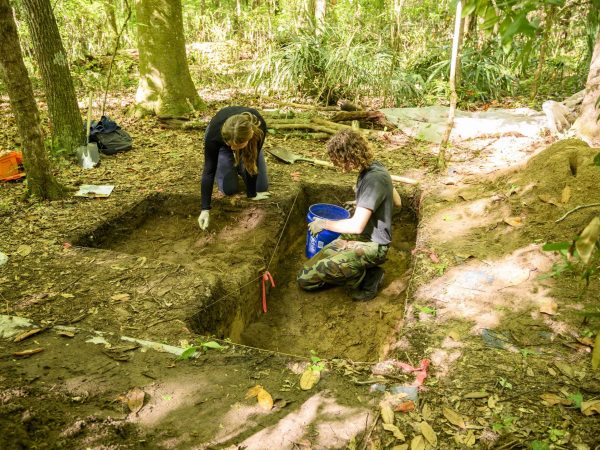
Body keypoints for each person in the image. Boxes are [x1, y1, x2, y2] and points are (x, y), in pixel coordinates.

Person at [297, 129, 400, 301]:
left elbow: (356, 226)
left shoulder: (373, 179)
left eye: (337, 159)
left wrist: (323, 224)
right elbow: (397, 202)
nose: (336, 164)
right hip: (365, 238)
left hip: (373, 246)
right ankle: (362, 268)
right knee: (323, 257)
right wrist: (364, 204)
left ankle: (366, 279)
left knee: (305, 281)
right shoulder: (375, 168)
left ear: (348, 156)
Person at [198, 106, 270, 230]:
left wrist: (252, 194)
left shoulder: (259, 127)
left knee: (261, 187)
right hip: (221, 145)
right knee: (229, 189)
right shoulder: (214, 135)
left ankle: (239, 164)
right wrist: (205, 209)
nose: (232, 149)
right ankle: (233, 163)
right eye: (230, 145)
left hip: (247, 144)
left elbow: (253, 160)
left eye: (236, 146)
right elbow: (209, 170)